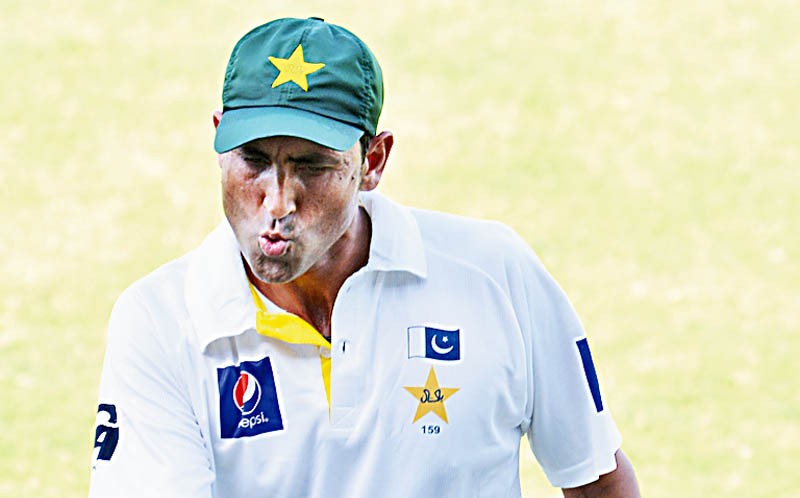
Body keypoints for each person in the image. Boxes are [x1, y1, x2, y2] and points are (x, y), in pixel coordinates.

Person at [88, 17, 640, 498]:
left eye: (311, 166)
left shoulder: (495, 273)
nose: (276, 203)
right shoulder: (159, 322)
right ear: (218, 141)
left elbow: (595, 479)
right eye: (252, 160)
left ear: (372, 161)